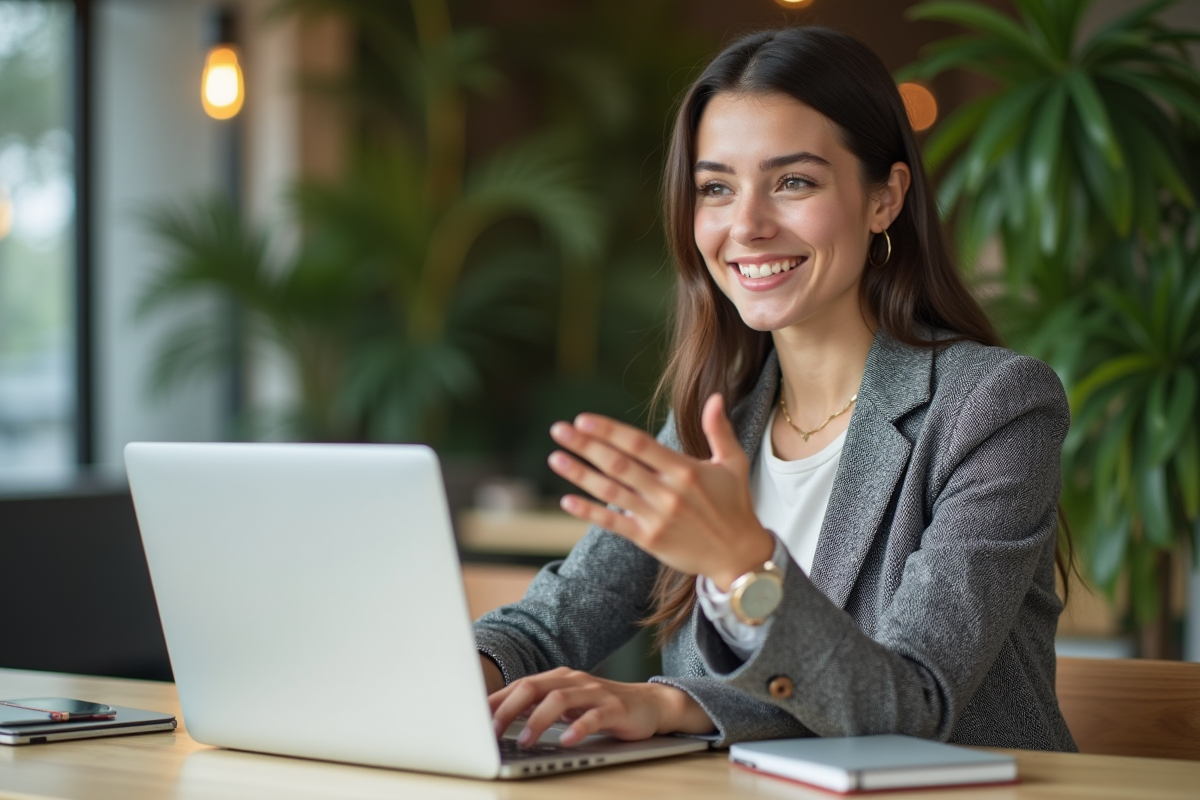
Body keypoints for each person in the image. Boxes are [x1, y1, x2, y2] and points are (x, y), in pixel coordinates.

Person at [473, 26, 1078, 753]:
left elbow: (914, 705)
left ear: (884, 199)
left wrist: (738, 578)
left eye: (794, 182)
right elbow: (553, 622)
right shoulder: (718, 418)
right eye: (716, 188)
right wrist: (455, 676)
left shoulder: (993, 406)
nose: (747, 225)